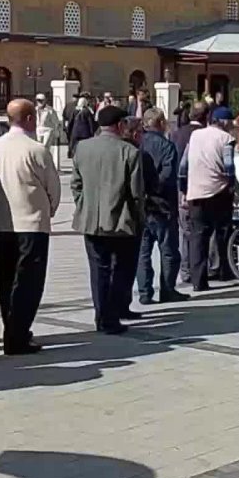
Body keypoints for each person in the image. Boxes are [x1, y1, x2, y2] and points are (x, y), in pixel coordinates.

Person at [0, 99, 61, 354]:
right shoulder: (36, 149)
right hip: (31, 223)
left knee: (7, 280)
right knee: (28, 282)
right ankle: (17, 336)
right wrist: (48, 210)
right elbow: (53, 188)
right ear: (30, 119)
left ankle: (11, 328)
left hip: (4, 223)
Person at [71, 106, 145, 333]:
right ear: (120, 125)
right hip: (122, 221)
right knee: (121, 269)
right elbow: (136, 193)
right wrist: (138, 218)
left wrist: (85, 206)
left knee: (99, 270)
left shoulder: (82, 148)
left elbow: (76, 185)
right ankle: (112, 316)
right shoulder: (129, 152)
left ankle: (101, 315)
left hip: (91, 220)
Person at [180, 106, 237, 292]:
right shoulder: (226, 138)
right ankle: (224, 270)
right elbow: (229, 165)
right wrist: (231, 183)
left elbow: (183, 165)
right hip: (217, 191)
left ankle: (199, 280)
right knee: (222, 233)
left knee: (198, 237)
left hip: (195, 191)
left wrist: (184, 189)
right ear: (225, 122)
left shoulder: (195, 135)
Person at [135, 108, 189, 304]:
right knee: (168, 250)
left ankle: (144, 292)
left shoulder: (137, 143)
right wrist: (155, 190)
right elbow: (168, 176)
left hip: (142, 205)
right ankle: (167, 289)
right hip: (163, 205)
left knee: (143, 252)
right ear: (161, 123)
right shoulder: (167, 146)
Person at [171, 101, 208, 284]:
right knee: (201, 231)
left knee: (185, 230)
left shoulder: (176, 134)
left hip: (181, 187)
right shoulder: (204, 135)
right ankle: (202, 269)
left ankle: (186, 270)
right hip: (201, 187)